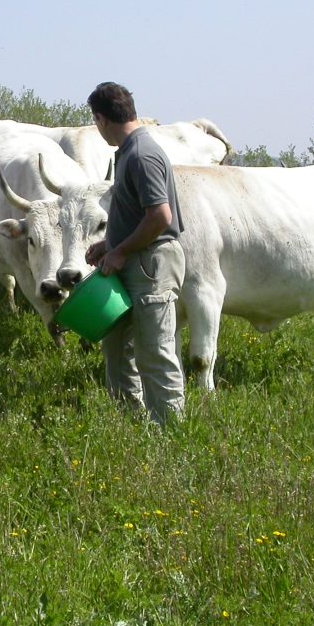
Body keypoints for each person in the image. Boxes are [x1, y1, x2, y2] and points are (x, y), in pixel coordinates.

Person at [84, 82, 186, 426]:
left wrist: (121, 250)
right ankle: (134, 427)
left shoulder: (142, 154)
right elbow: (137, 212)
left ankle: (172, 434)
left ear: (100, 119)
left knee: (155, 353)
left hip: (150, 264)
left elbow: (160, 216)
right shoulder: (129, 151)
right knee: (117, 349)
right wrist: (110, 246)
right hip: (131, 261)